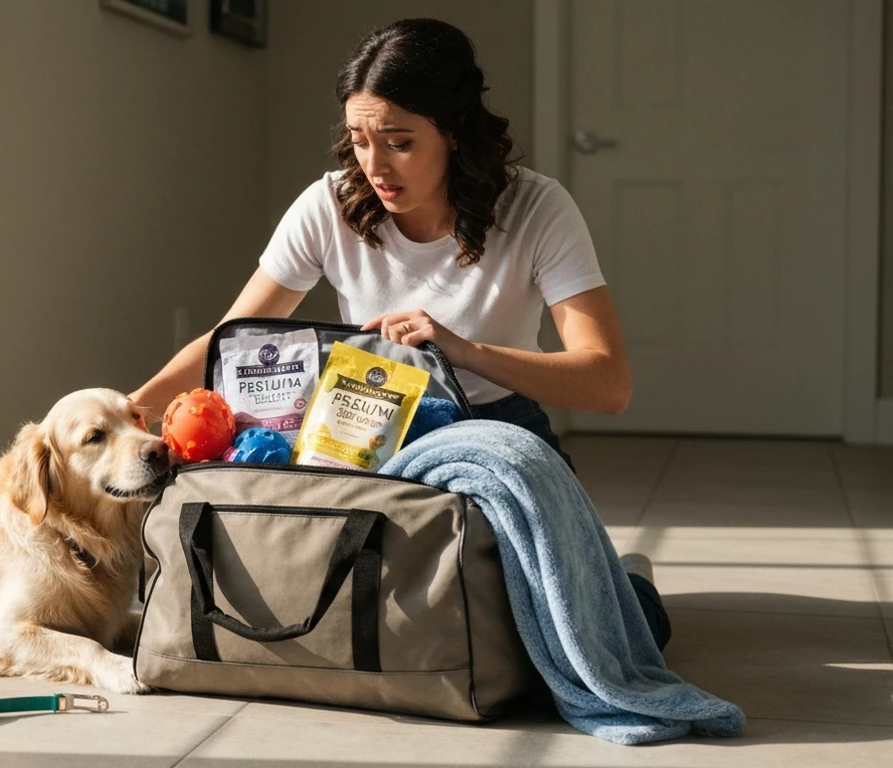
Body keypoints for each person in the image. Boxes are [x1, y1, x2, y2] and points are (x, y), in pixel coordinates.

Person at [129, 17, 669, 651]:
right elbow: (233, 335)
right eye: (358, 139)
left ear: (456, 132)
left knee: (606, 637)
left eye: (399, 141)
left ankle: (626, 579)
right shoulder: (329, 205)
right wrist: (128, 412)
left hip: (494, 430)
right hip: (361, 425)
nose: (374, 164)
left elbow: (608, 383)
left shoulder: (537, 210)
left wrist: (460, 350)